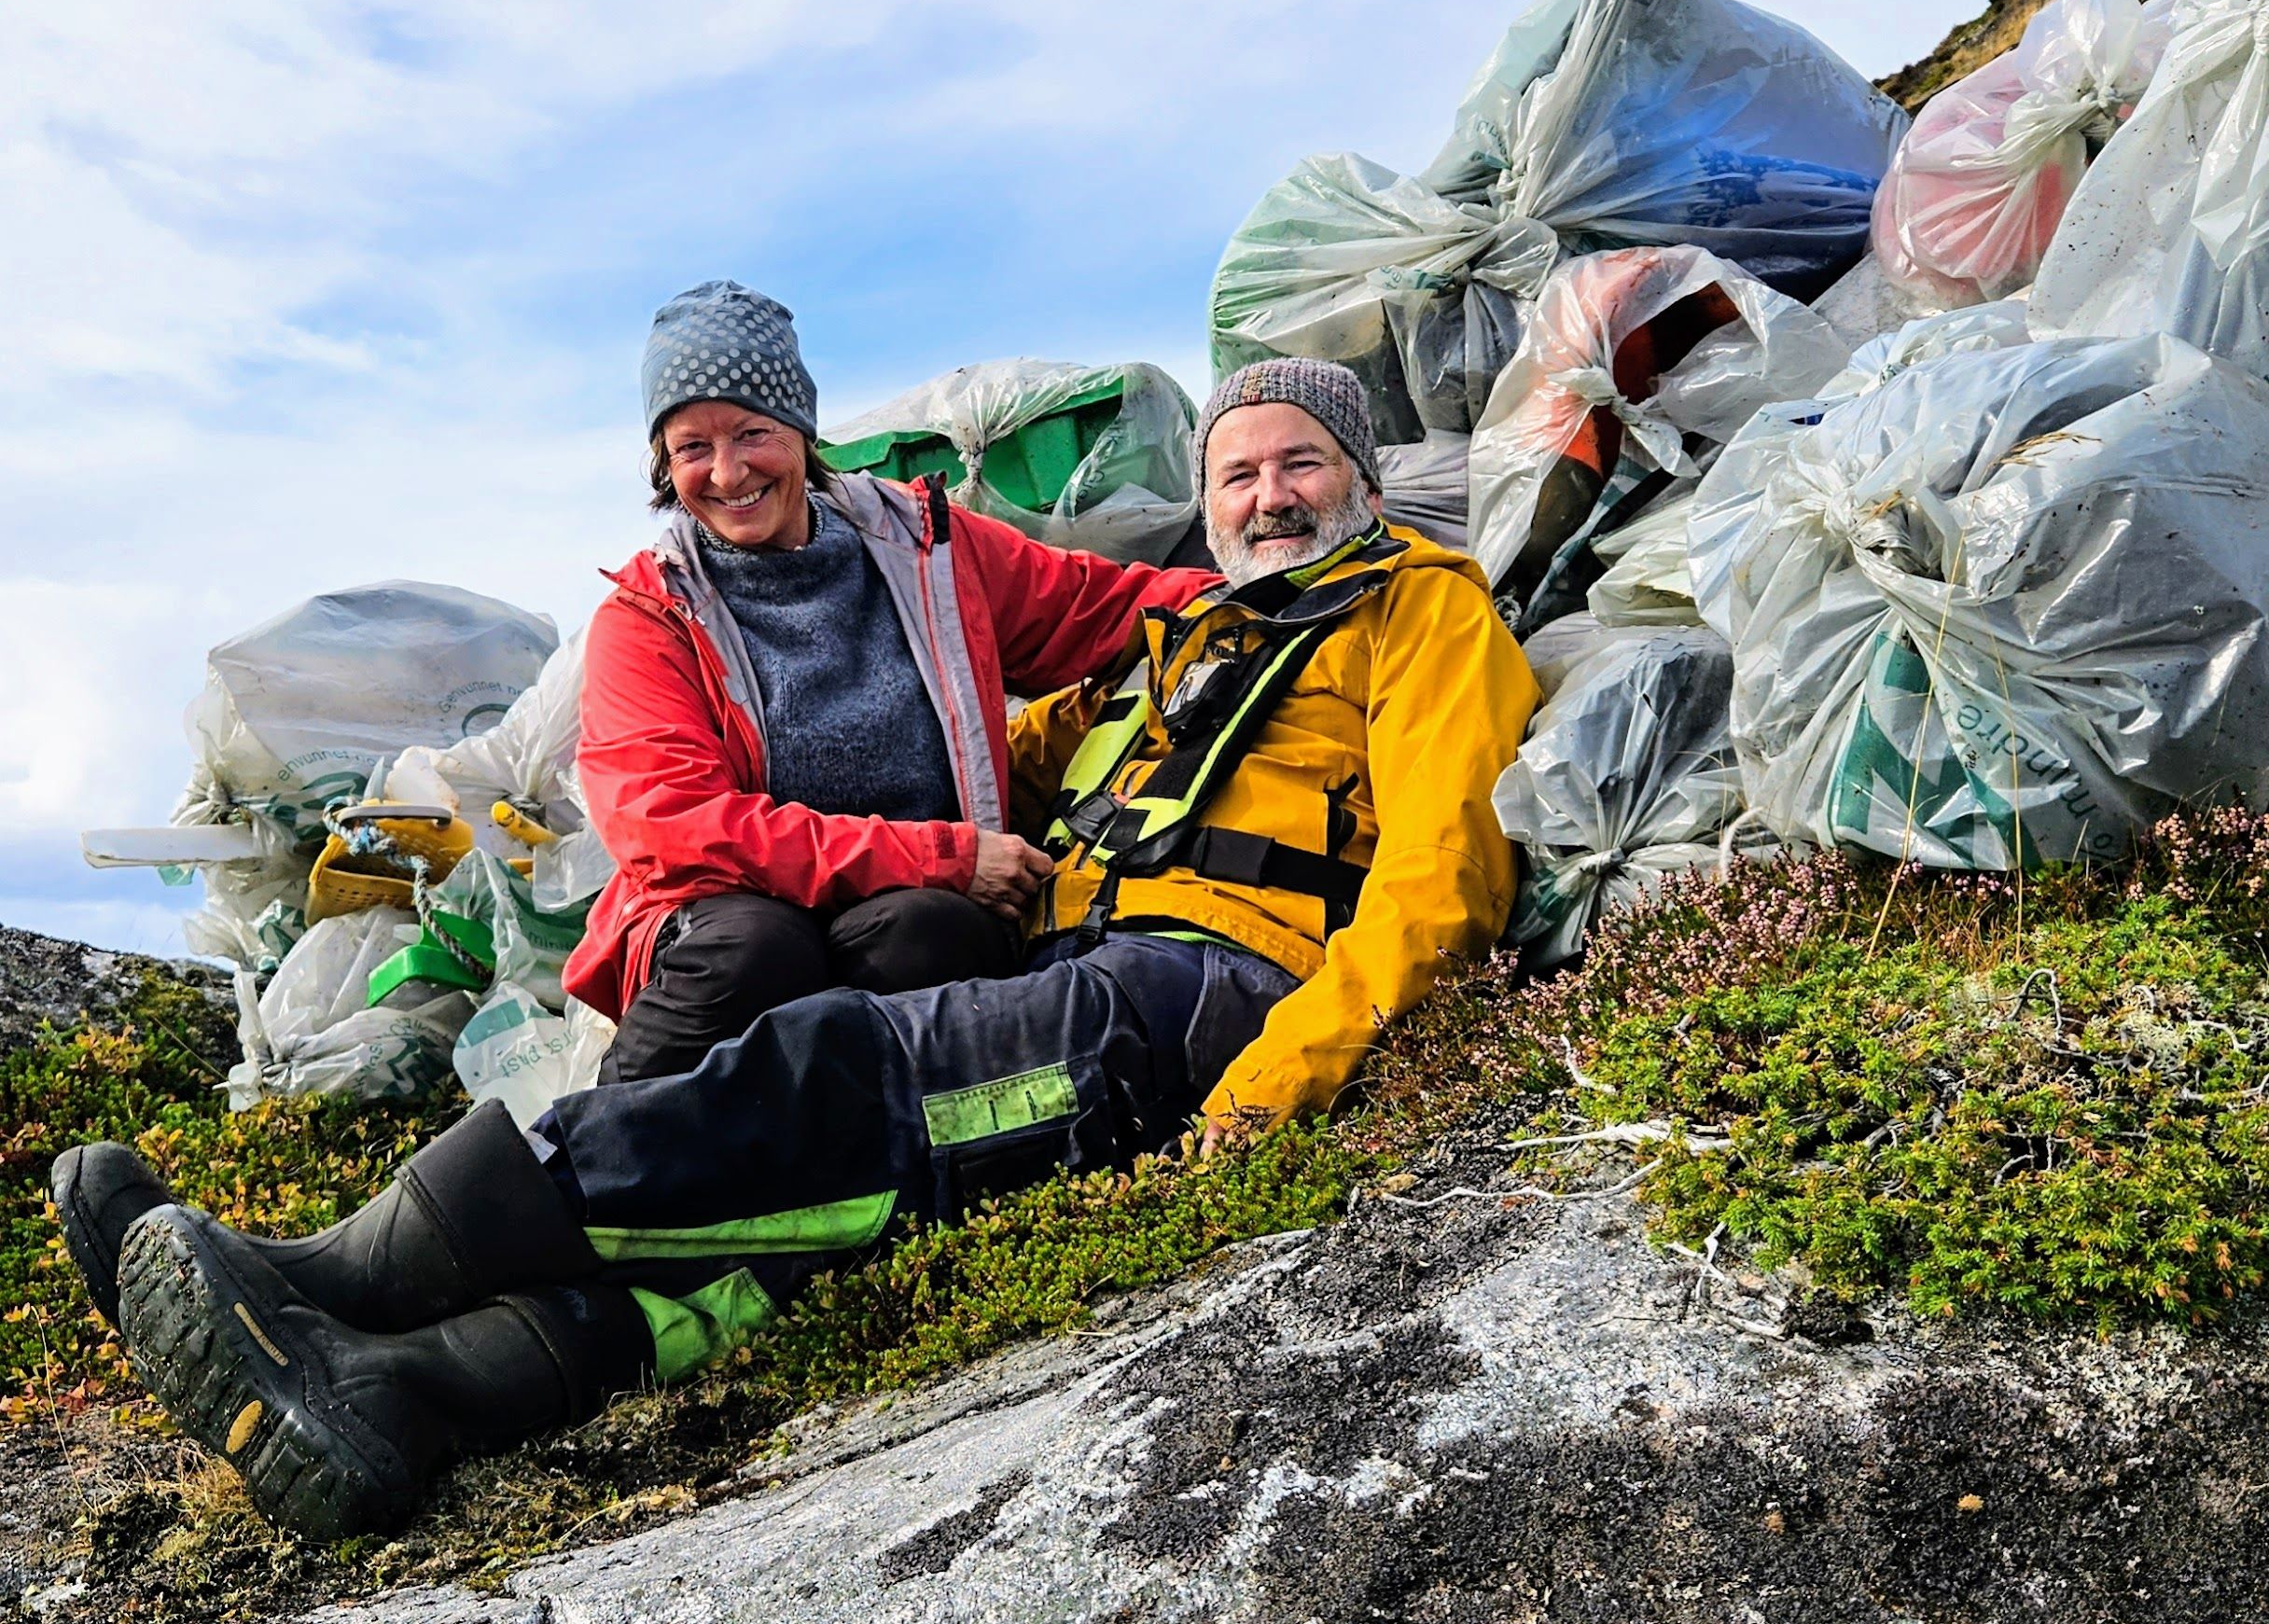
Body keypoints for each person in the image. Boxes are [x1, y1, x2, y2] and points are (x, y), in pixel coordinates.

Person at [57, 358, 1539, 1543]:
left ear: (1361, 478)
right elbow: (1040, 751)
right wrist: (966, 813)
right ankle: (404, 1395)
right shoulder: (1180, 647)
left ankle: (343, 1274)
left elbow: (1441, 871)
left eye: (1300, 466)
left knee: (831, 1072)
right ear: (1205, 502)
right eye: (1240, 472)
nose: (1269, 496)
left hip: (1202, 993)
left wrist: (1287, 1071)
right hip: (1074, 972)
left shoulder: (1421, 613)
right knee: (800, 1216)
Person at [573, 280, 1216, 1081]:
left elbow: (1095, 610)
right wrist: (940, 854)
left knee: (932, 936)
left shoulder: (927, 549)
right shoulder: (649, 616)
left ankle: (893, 1169)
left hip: (910, 908)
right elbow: (675, 825)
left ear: (802, 434)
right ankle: (586, 1158)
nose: (728, 472)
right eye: (692, 448)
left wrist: (1267, 587)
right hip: (735, 912)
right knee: (757, 950)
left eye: (751, 432)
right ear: (665, 466)